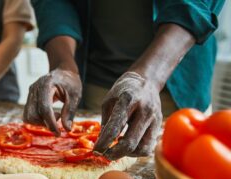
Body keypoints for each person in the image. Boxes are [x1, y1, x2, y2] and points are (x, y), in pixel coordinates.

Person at [24, 0, 224, 160]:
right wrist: (64, 64)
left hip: (179, 83)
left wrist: (149, 77)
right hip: (94, 82)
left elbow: (195, 4)